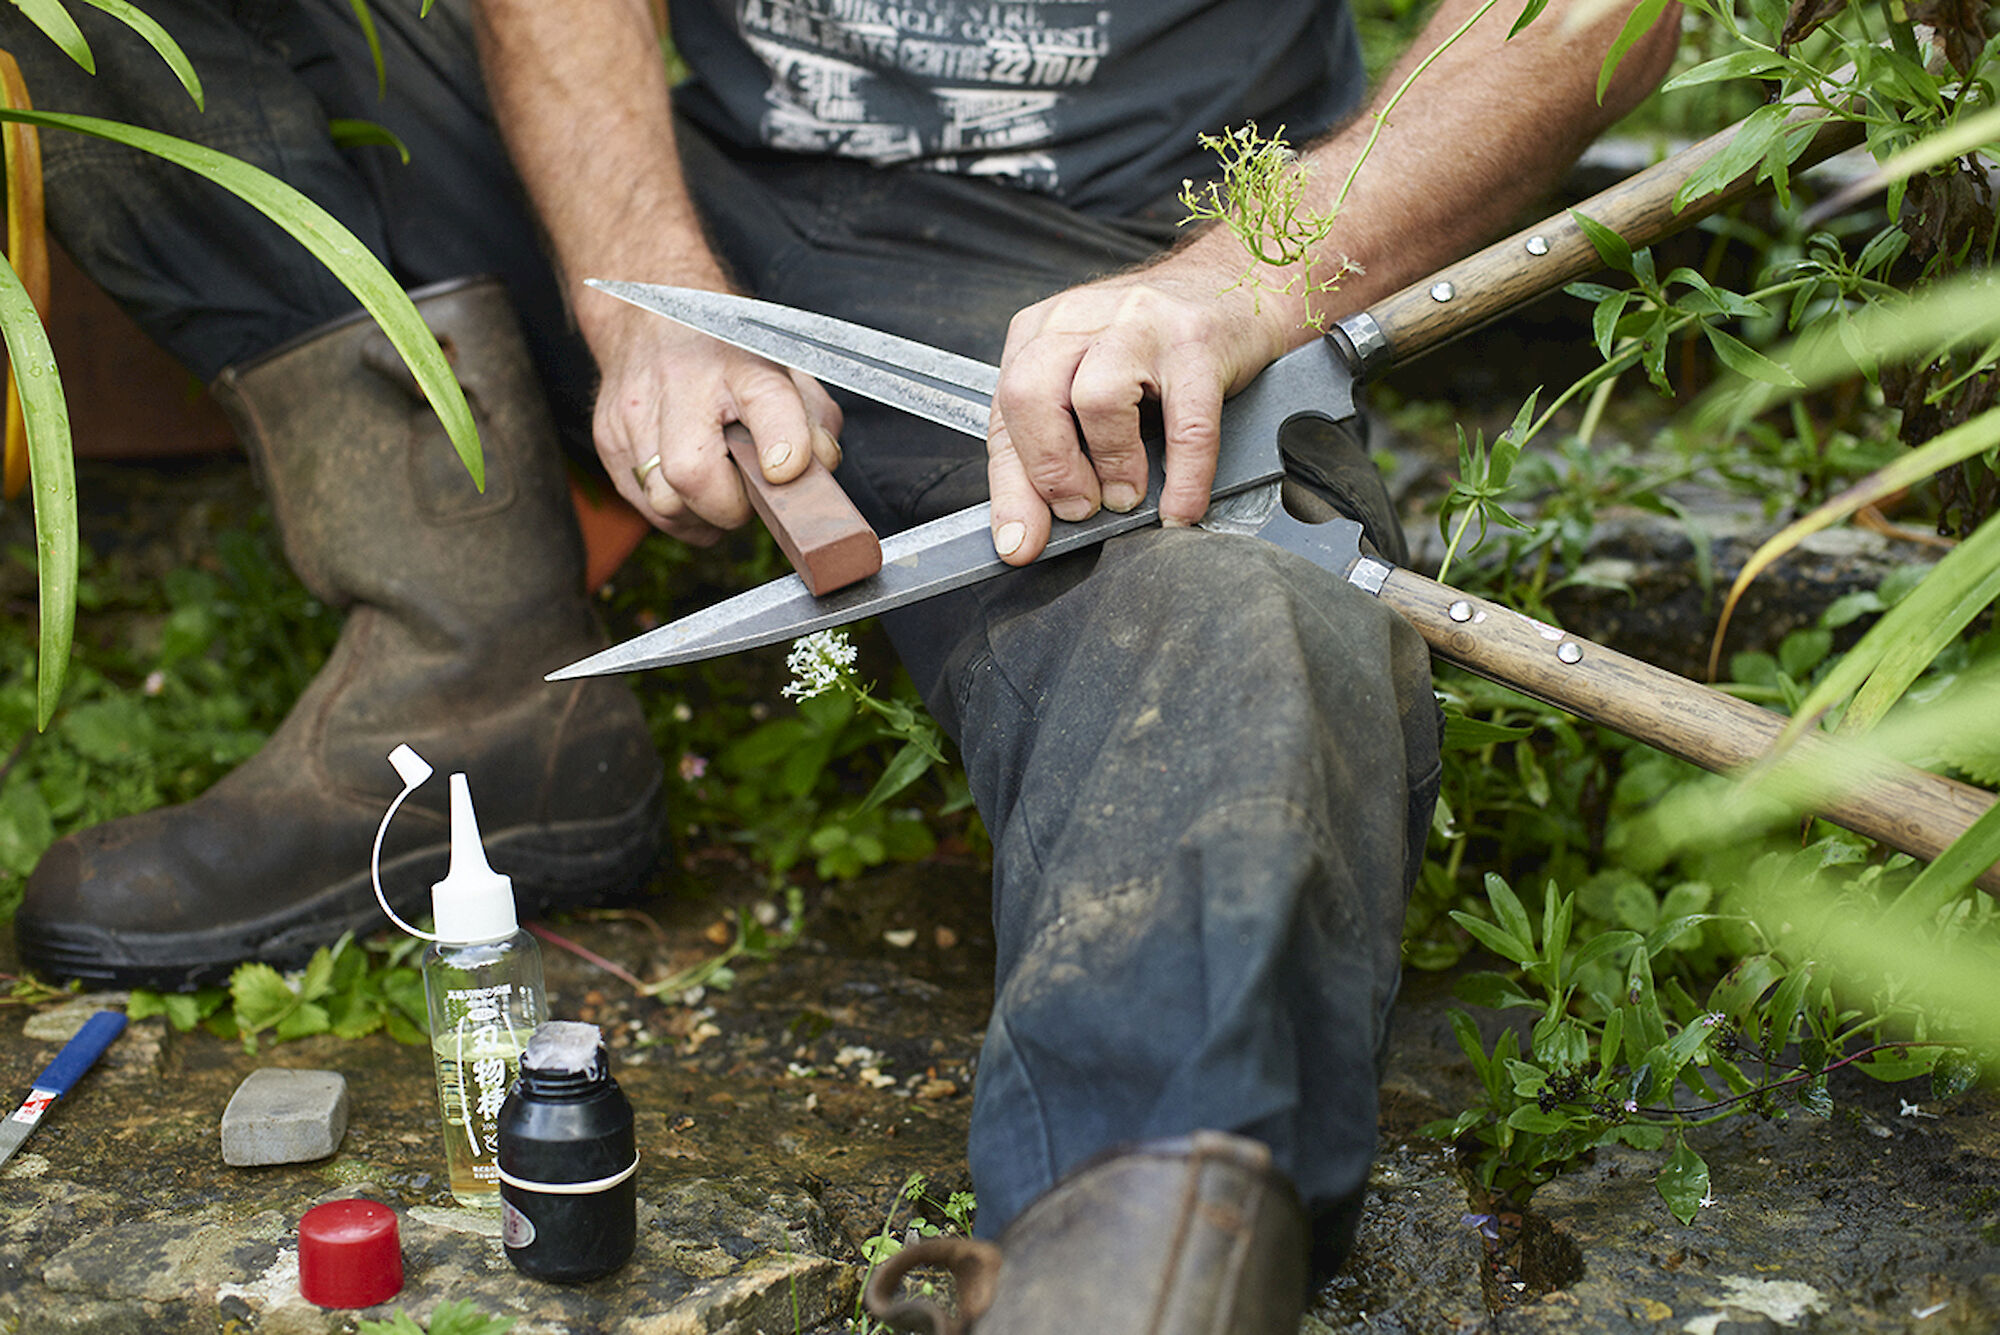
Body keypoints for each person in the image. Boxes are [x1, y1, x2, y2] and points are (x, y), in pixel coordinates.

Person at [7, 0, 1675, 1327]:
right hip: (688, 180)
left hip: (1118, 269)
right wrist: (645, 296)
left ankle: (1128, 1246)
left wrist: (1240, 282)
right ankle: (473, 675)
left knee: (1239, 625)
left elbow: (1596, 11)